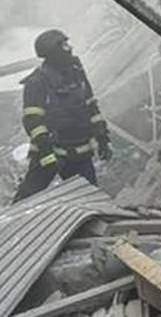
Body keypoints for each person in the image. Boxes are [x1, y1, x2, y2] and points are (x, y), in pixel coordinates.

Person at [15, 29, 111, 199]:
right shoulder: (37, 82)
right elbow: (32, 121)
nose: (70, 48)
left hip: (79, 151)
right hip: (50, 151)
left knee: (90, 200)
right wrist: (46, 153)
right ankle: (10, 224)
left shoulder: (76, 72)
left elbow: (90, 106)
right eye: (64, 45)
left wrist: (102, 137)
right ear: (53, 51)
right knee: (26, 200)